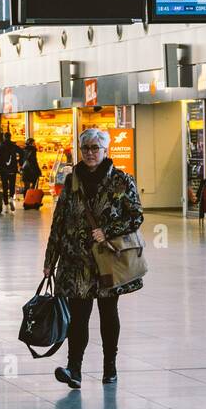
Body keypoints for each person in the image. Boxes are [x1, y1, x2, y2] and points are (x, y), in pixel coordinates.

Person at [43, 127, 144, 389]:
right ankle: (73, 368)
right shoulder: (71, 179)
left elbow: (136, 217)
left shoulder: (122, 181)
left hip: (108, 260)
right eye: (85, 148)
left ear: (105, 151)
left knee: (108, 313)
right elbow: (59, 221)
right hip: (76, 260)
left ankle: (110, 366)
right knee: (78, 316)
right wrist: (49, 259)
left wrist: (107, 231)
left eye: (95, 148)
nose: (89, 153)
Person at [0, 131, 20, 210]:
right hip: (12, 169)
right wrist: (19, 161)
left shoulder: (1, 146)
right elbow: (21, 152)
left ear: (4, 137)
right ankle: (11, 198)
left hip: (3, 170)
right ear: (10, 137)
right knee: (12, 185)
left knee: (5, 186)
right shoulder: (14, 146)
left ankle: (5, 202)